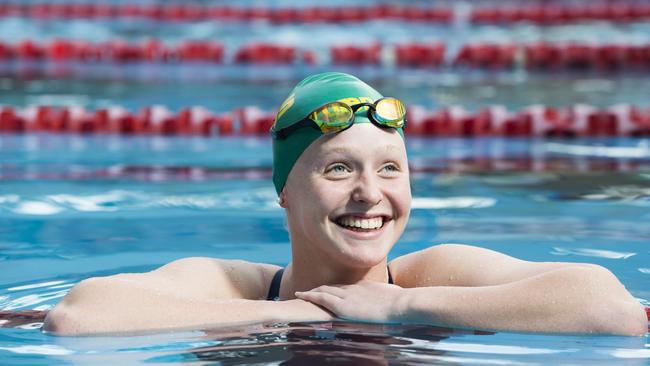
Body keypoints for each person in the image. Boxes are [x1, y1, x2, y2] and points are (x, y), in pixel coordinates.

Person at [42, 72, 647, 336]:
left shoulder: (435, 276)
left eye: (390, 169)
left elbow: (612, 312)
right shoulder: (233, 287)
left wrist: (402, 306)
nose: (370, 193)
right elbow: (78, 319)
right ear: (284, 189)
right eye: (338, 168)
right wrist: (297, 316)